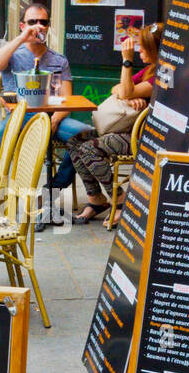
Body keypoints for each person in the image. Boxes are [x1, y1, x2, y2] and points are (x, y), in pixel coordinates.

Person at [0, 2, 86, 183]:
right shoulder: (13, 54)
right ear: (22, 25)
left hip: (52, 117)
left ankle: (55, 187)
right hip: (20, 117)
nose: (38, 26)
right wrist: (22, 38)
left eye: (43, 22)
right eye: (32, 22)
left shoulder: (59, 60)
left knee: (85, 135)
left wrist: (56, 118)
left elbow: (67, 100)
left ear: (48, 26)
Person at [68, 25, 160, 224]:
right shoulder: (148, 70)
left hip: (144, 138)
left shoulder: (161, 76)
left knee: (89, 149)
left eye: (143, 48)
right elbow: (116, 89)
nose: (139, 51)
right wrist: (129, 98)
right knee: (75, 142)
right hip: (126, 131)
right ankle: (96, 199)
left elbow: (126, 90)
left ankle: (119, 201)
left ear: (154, 49)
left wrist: (126, 61)